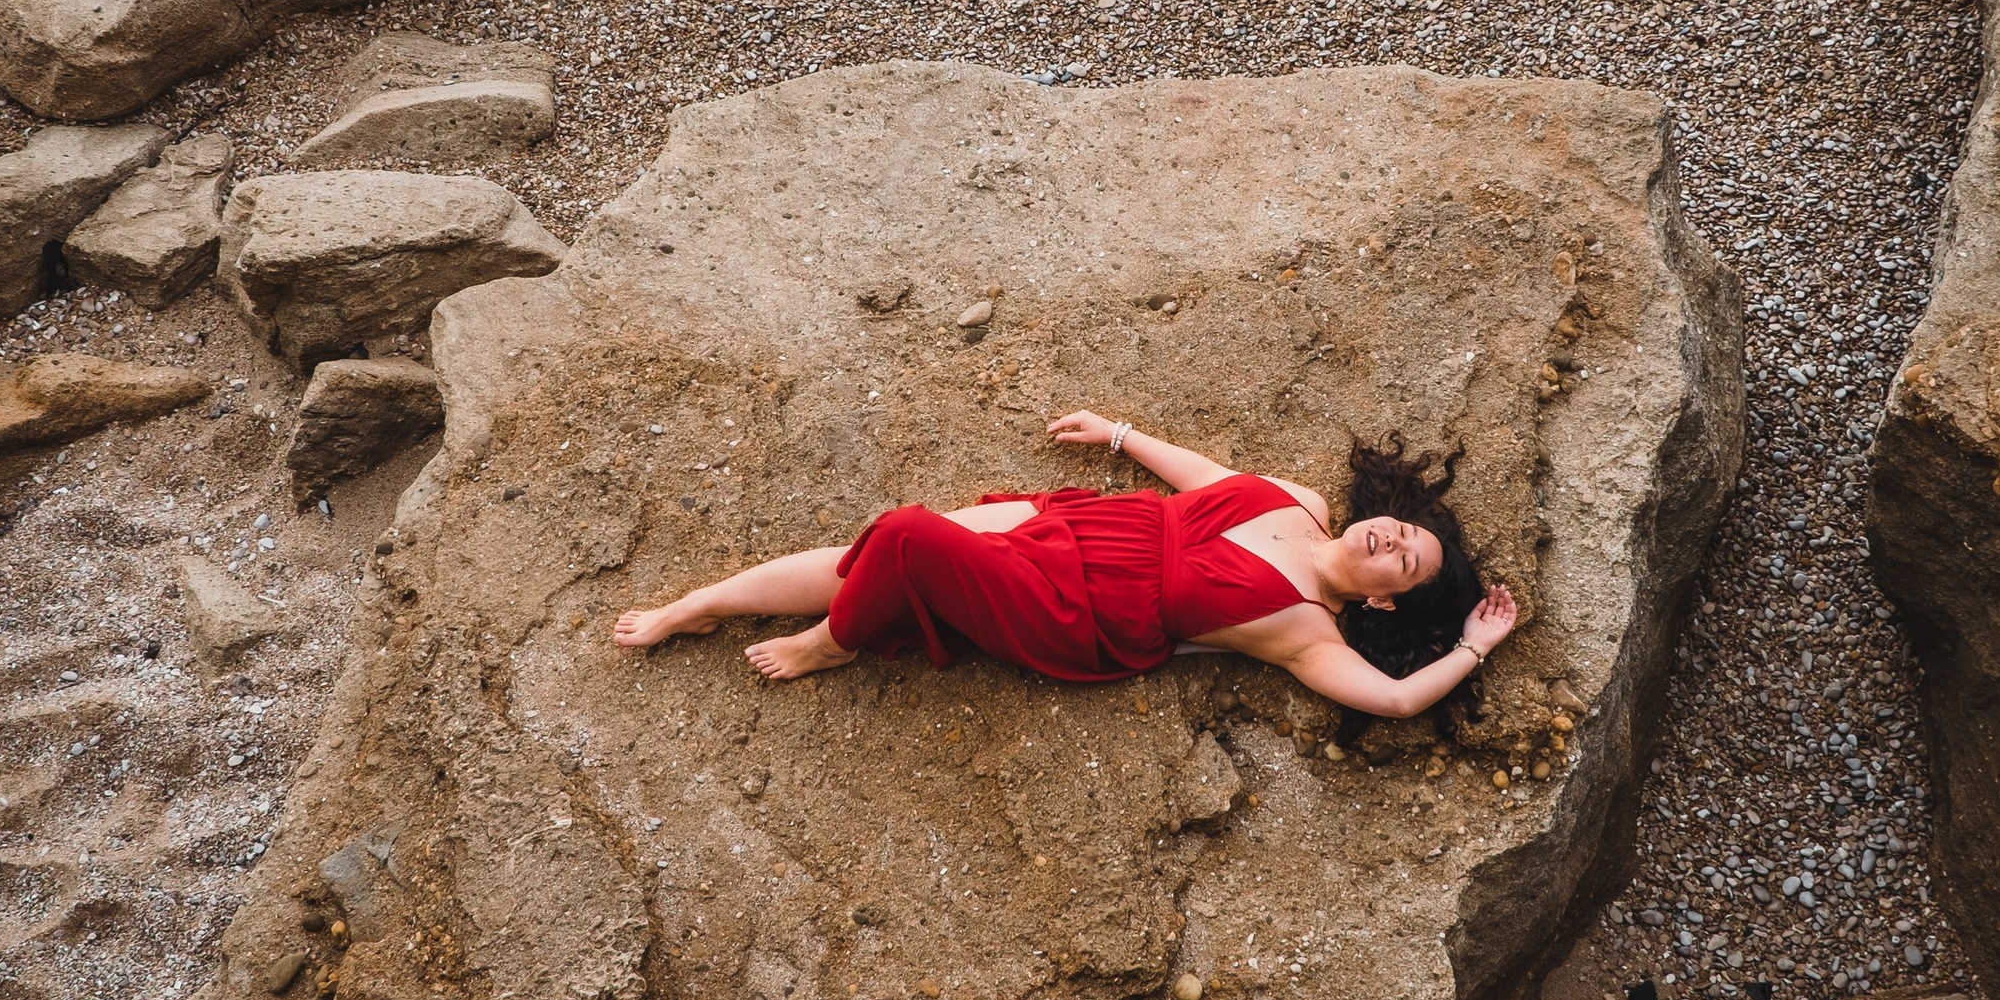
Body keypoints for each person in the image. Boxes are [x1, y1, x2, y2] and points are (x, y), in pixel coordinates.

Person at [613, 411, 1518, 717]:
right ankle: (703, 603)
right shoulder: (1300, 502)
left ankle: (831, 646)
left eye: (1404, 567)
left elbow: (1395, 702)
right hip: (1079, 526)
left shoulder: (1303, 632)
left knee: (905, 533)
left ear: (1389, 604)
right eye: (1403, 533)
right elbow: (1205, 482)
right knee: (871, 559)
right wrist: (1118, 432)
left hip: (1073, 610)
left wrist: (1474, 648)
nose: (1392, 545)